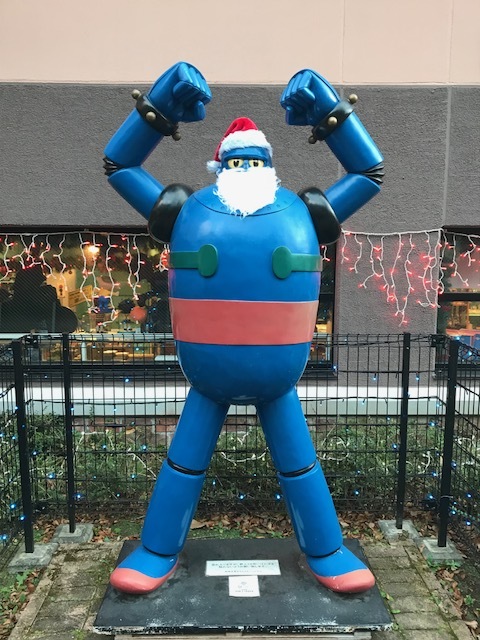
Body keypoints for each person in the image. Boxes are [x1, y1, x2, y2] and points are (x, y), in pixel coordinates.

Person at [103, 62, 383, 595]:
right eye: (238, 160)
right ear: (221, 165)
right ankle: (157, 550)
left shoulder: (301, 211)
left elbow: (369, 174)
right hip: (208, 371)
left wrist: (332, 114)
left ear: (269, 166)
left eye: (254, 159)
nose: (246, 166)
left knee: (296, 463)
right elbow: (119, 165)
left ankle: (326, 550)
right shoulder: (189, 209)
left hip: (277, 370)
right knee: (187, 462)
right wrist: (156, 111)